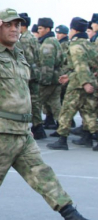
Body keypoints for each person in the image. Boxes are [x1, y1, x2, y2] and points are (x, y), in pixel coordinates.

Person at [0, 8, 98, 220]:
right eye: (9, 25)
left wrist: (29, 124)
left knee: (43, 174)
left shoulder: (18, 54)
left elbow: (22, 92)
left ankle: (73, 219)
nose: (15, 29)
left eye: (18, 25)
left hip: (21, 130)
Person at [46, 17, 98, 151]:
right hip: (89, 80)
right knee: (88, 111)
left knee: (67, 110)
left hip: (78, 83)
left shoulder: (75, 45)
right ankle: (89, 137)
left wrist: (85, 82)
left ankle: (62, 140)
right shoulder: (89, 44)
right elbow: (90, 65)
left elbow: (80, 65)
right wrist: (71, 76)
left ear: (74, 30)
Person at [16, 13, 45, 139]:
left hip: (29, 73)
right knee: (35, 100)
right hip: (35, 71)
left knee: (30, 100)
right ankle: (38, 126)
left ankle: (36, 127)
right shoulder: (32, 37)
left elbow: (27, 57)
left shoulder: (24, 39)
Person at [36, 18, 64, 131]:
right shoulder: (54, 41)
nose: (38, 31)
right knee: (56, 103)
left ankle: (37, 128)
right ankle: (63, 127)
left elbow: (47, 64)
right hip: (56, 77)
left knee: (36, 102)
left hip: (49, 79)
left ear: (47, 29)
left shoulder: (47, 43)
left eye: (40, 28)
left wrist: (44, 81)